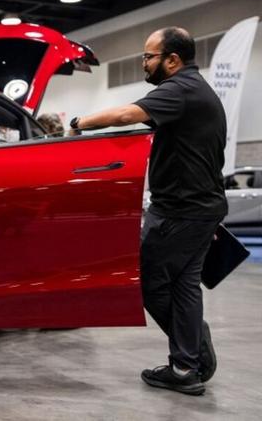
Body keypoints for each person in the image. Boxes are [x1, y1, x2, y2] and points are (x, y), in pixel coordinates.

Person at [69, 27, 224, 396]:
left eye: (148, 56)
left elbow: (127, 115)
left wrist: (79, 123)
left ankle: (191, 352)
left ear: (172, 60)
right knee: (184, 285)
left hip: (179, 212)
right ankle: (186, 364)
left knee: (146, 281)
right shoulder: (195, 90)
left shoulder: (179, 89)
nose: (143, 63)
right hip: (200, 209)